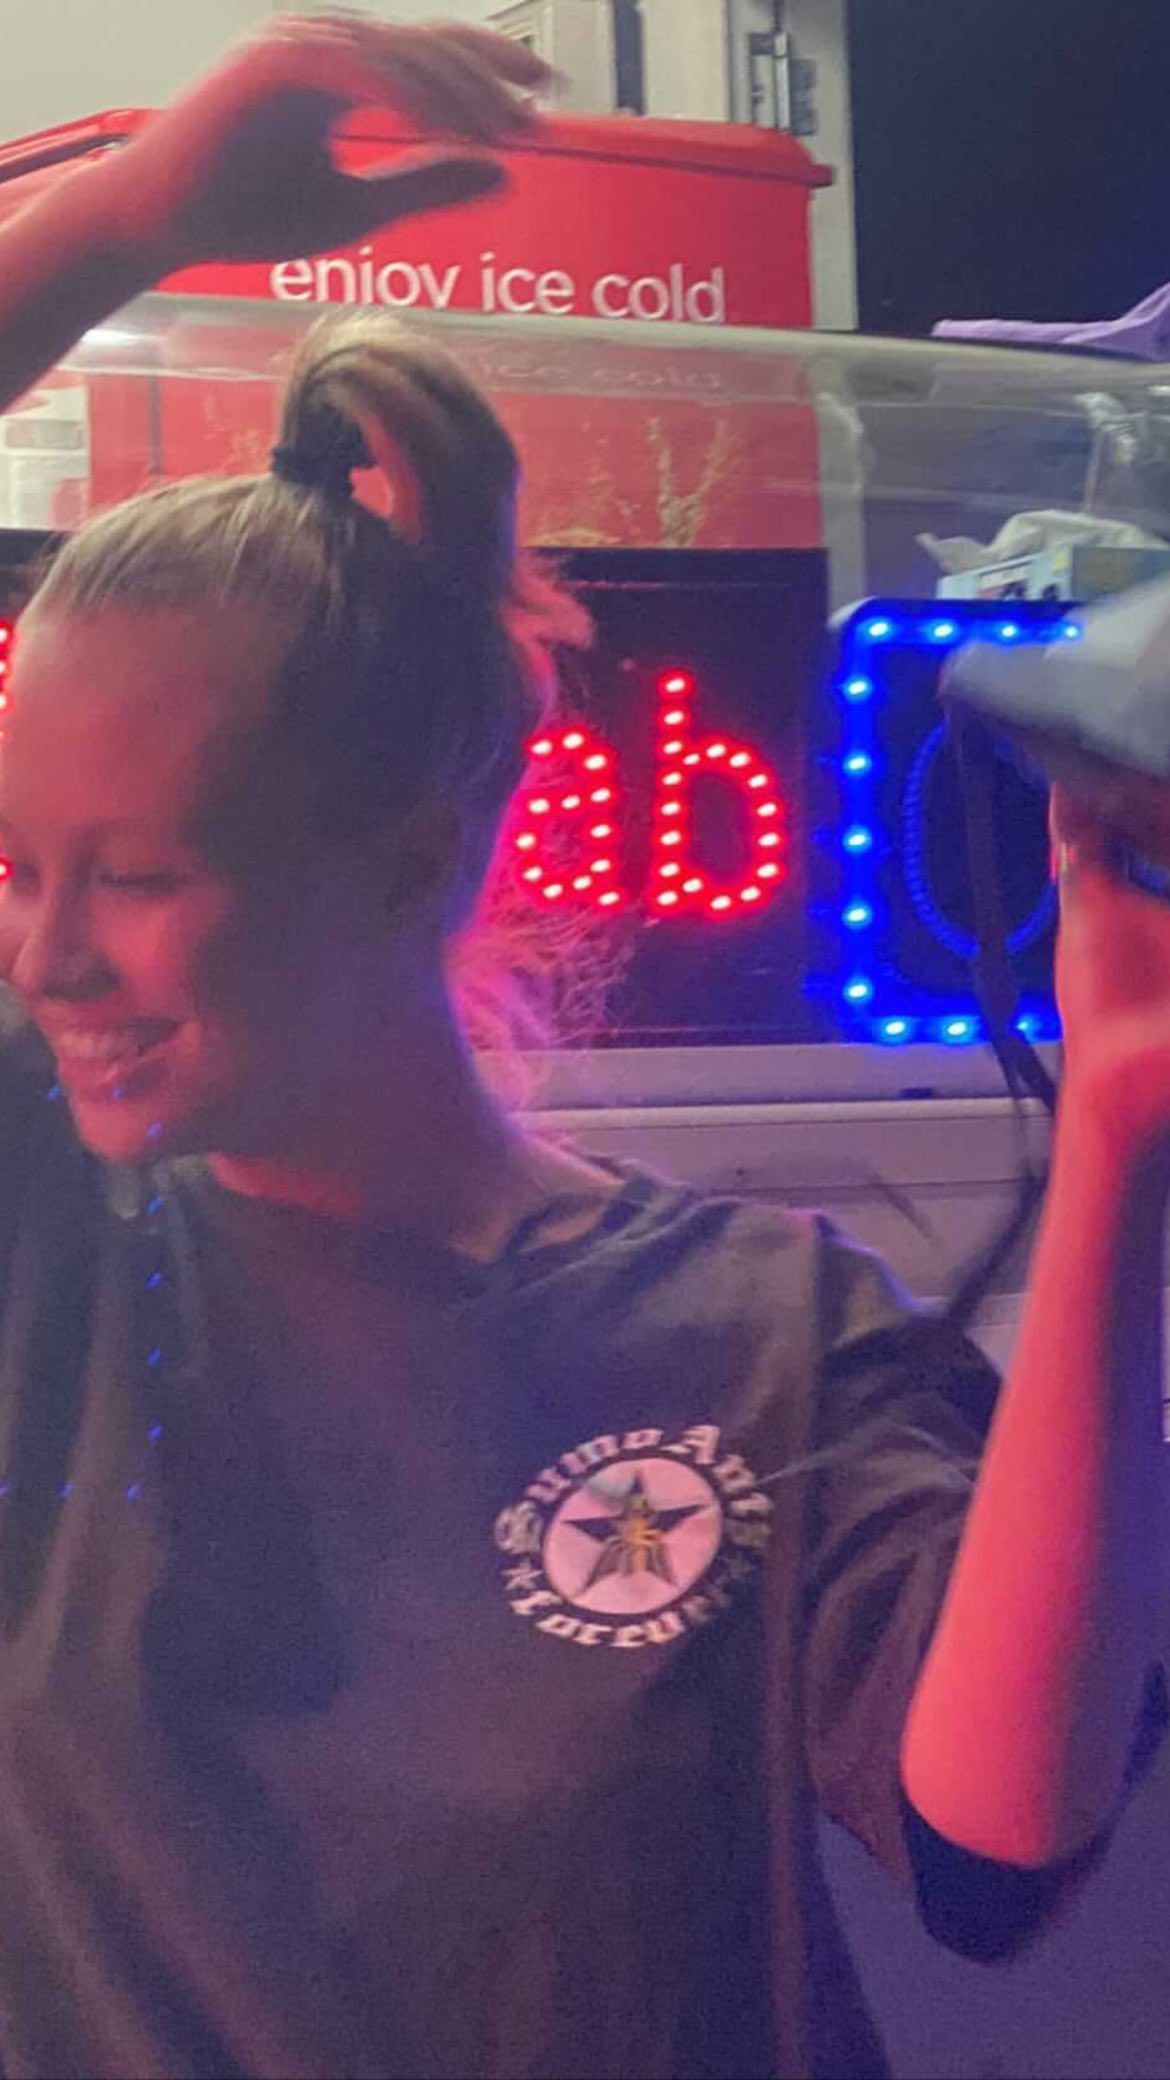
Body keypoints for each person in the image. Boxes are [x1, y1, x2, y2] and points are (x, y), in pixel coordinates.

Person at [0, 15, 1163, 2080]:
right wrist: (124, 220)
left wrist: (1127, 1112)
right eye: (16, 869)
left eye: (139, 874)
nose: (48, 960)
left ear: (407, 857)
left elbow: (997, 1843)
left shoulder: (759, 1328)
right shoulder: (57, 1248)